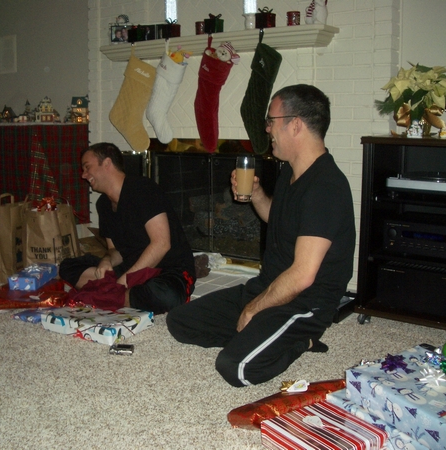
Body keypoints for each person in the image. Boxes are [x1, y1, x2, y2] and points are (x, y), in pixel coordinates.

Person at [167, 84, 355, 387]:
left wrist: (254, 308)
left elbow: (303, 276)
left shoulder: (326, 187)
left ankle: (302, 340)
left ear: (295, 125)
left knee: (235, 368)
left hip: (305, 303)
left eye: (271, 121)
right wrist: (256, 195)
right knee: (179, 322)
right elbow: (279, 221)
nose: (267, 128)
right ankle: (259, 336)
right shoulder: (289, 172)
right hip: (269, 286)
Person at [59, 142, 196, 315]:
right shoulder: (103, 204)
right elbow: (114, 250)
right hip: (130, 268)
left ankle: (109, 293)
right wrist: (107, 261)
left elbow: (161, 244)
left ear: (107, 163)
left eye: (87, 167)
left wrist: (124, 280)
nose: (84, 175)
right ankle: (119, 295)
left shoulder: (142, 189)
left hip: (167, 270)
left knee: (166, 296)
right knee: (67, 266)